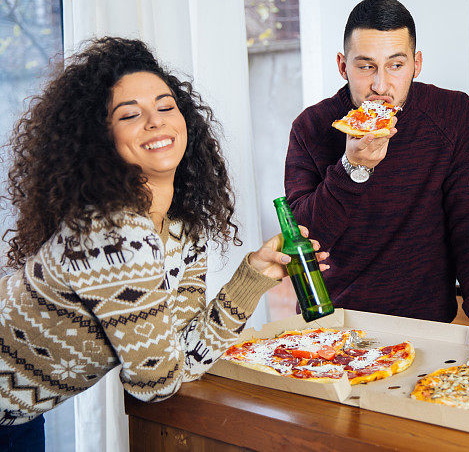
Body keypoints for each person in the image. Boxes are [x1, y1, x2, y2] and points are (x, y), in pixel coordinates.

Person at [0, 37, 328, 448]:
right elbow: (156, 383)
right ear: (101, 139)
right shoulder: (113, 233)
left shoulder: (180, 228)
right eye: (130, 115)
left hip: (20, 416)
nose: (155, 122)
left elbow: (183, 354)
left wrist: (252, 276)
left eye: (166, 106)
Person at [284, 0, 469, 344]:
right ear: (342, 65)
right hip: (331, 326)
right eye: (366, 67)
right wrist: (351, 168)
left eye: (395, 65)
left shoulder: (453, 116)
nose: (380, 86)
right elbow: (303, 241)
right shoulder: (312, 126)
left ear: (416, 63)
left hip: (429, 325)